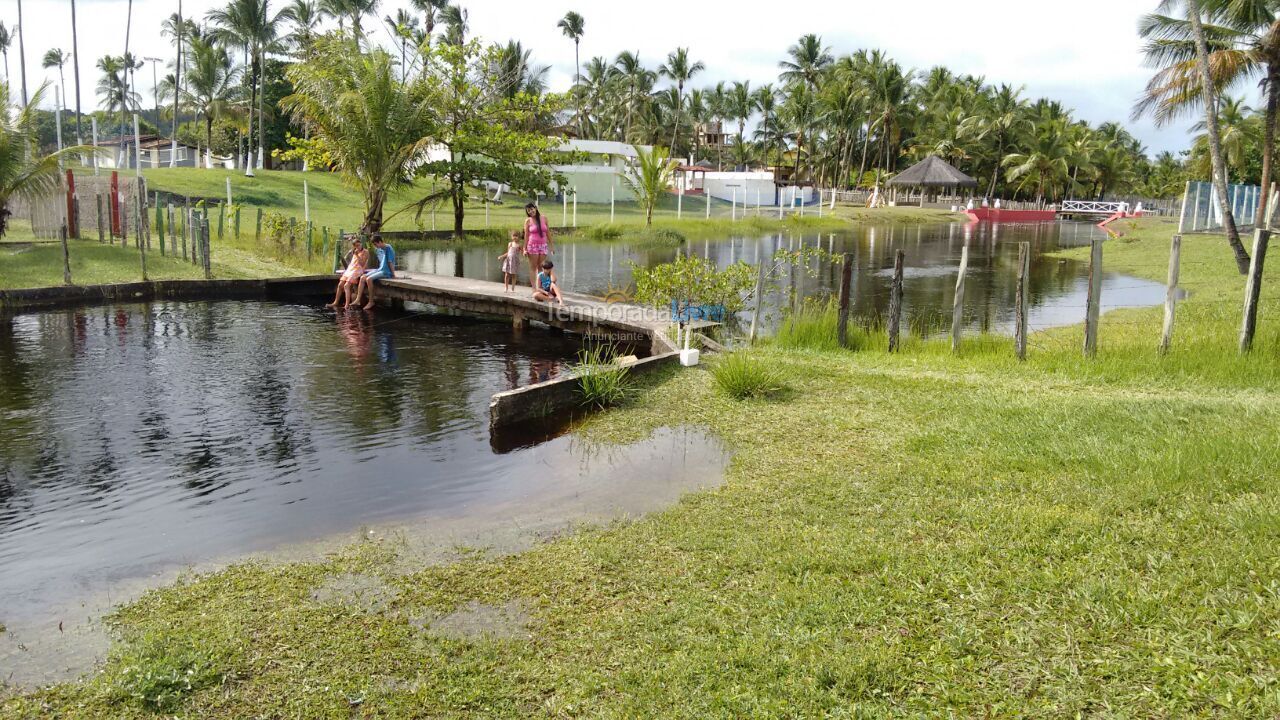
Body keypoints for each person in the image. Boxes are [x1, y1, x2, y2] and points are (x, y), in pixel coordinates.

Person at [353, 234, 396, 311]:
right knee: (363, 277)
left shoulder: (388, 248)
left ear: (380, 242)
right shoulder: (380, 249)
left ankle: (371, 301)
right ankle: (358, 299)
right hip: (380, 269)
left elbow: (390, 262)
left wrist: (393, 274)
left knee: (369, 279)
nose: (375, 246)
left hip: (386, 271)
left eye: (376, 244)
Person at [326, 237, 368, 308]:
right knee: (340, 285)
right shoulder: (353, 251)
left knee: (346, 285)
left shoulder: (365, 252)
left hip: (358, 270)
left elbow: (362, 263)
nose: (358, 247)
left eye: (359, 245)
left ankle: (347, 305)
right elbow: (348, 260)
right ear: (354, 246)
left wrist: (357, 255)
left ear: (361, 244)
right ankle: (335, 302)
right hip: (350, 269)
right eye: (356, 245)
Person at [523, 202, 553, 290]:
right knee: (533, 267)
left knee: (541, 267)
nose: (531, 211)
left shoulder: (544, 218)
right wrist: (524, 249)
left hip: (543, 245)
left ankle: (540, 287)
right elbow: (526, 235)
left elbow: (548, 232)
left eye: (532, 209)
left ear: (535, 208)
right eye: (529, 211)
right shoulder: (528, 221)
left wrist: (551, 246)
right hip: (532, 246)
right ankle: (534, 288)